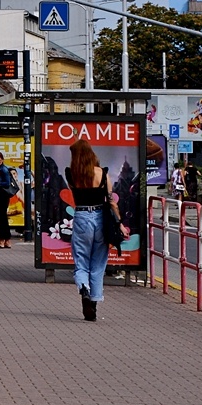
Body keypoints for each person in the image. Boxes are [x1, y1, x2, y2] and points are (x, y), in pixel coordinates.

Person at [66, 138, 120, 321]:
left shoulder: (71, 174)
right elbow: (111, 201)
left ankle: (83, 288)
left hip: (81, 216)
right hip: (100, 218)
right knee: (98, 264)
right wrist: (119, 223)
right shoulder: (103, 174)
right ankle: (94, 305)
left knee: (81, 261)